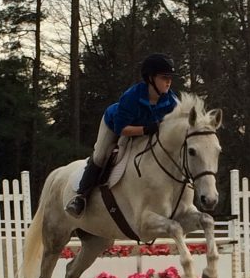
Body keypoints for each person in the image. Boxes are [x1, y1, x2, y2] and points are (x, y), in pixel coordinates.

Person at [65, 54, 178, 216]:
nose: (168, 82)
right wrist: (146, 129)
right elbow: (121, 129)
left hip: (147, 130)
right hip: (115, 125)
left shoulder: (171, 100)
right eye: (164, 77)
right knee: (101, 155)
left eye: (170, 78)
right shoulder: (131, 97)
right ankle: (80, 197)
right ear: (150, 78)